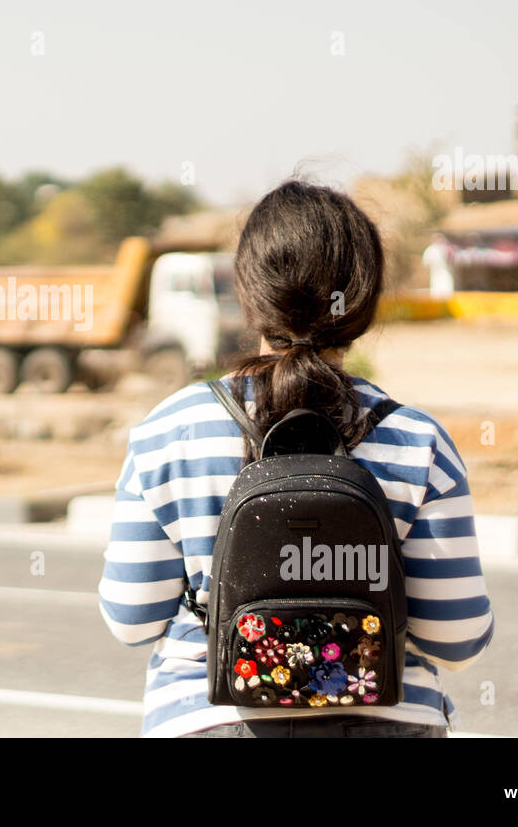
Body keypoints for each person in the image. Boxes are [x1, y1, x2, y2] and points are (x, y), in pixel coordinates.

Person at [98, 180, 494, 738]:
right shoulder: (416, 440)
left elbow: (131, 620)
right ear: (364, 298)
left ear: (248, 292)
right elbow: (456, 638)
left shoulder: (169, 430)